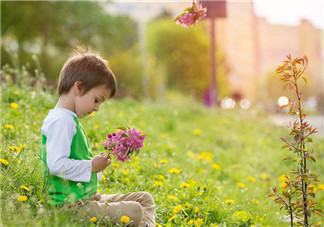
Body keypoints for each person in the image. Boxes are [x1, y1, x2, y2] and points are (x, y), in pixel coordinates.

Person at [40, 48, 155, 226]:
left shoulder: (69, 119)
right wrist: (91, 166)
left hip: (89, 199)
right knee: (135, 210)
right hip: (70, 208)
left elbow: (74, 162)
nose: (96, 108)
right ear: (78, 87)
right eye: (96, 100)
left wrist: (96, 167)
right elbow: (55, 165)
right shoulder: (62, 121)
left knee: (144, 199)